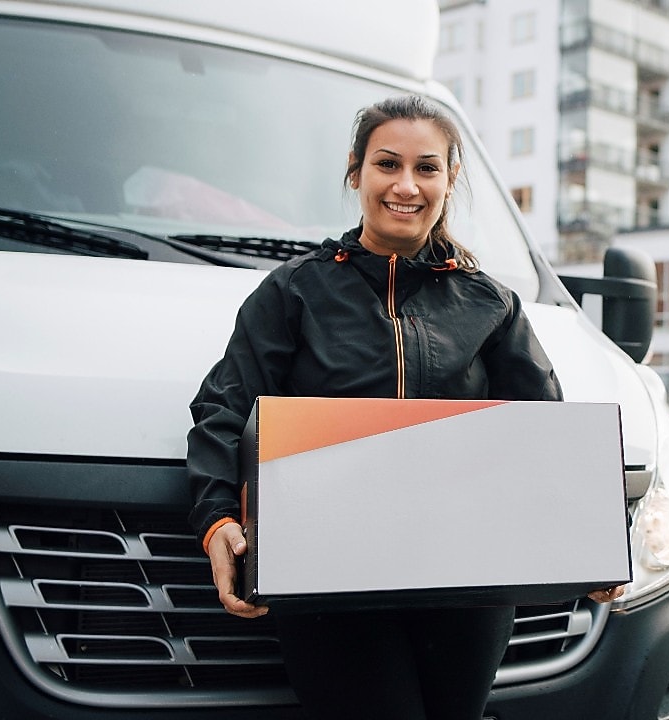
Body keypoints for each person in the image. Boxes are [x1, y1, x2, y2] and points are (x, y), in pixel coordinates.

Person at [185, 94, 623, 719]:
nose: (406, 185)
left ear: (450, 180)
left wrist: (589, 540)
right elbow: (224, 409)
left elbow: (543, 432)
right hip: (327, 573)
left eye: (427, 168)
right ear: (356, 170)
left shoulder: (490, 304)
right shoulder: (295, 290)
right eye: (388, 164)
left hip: (466, 586)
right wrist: (218, 522)